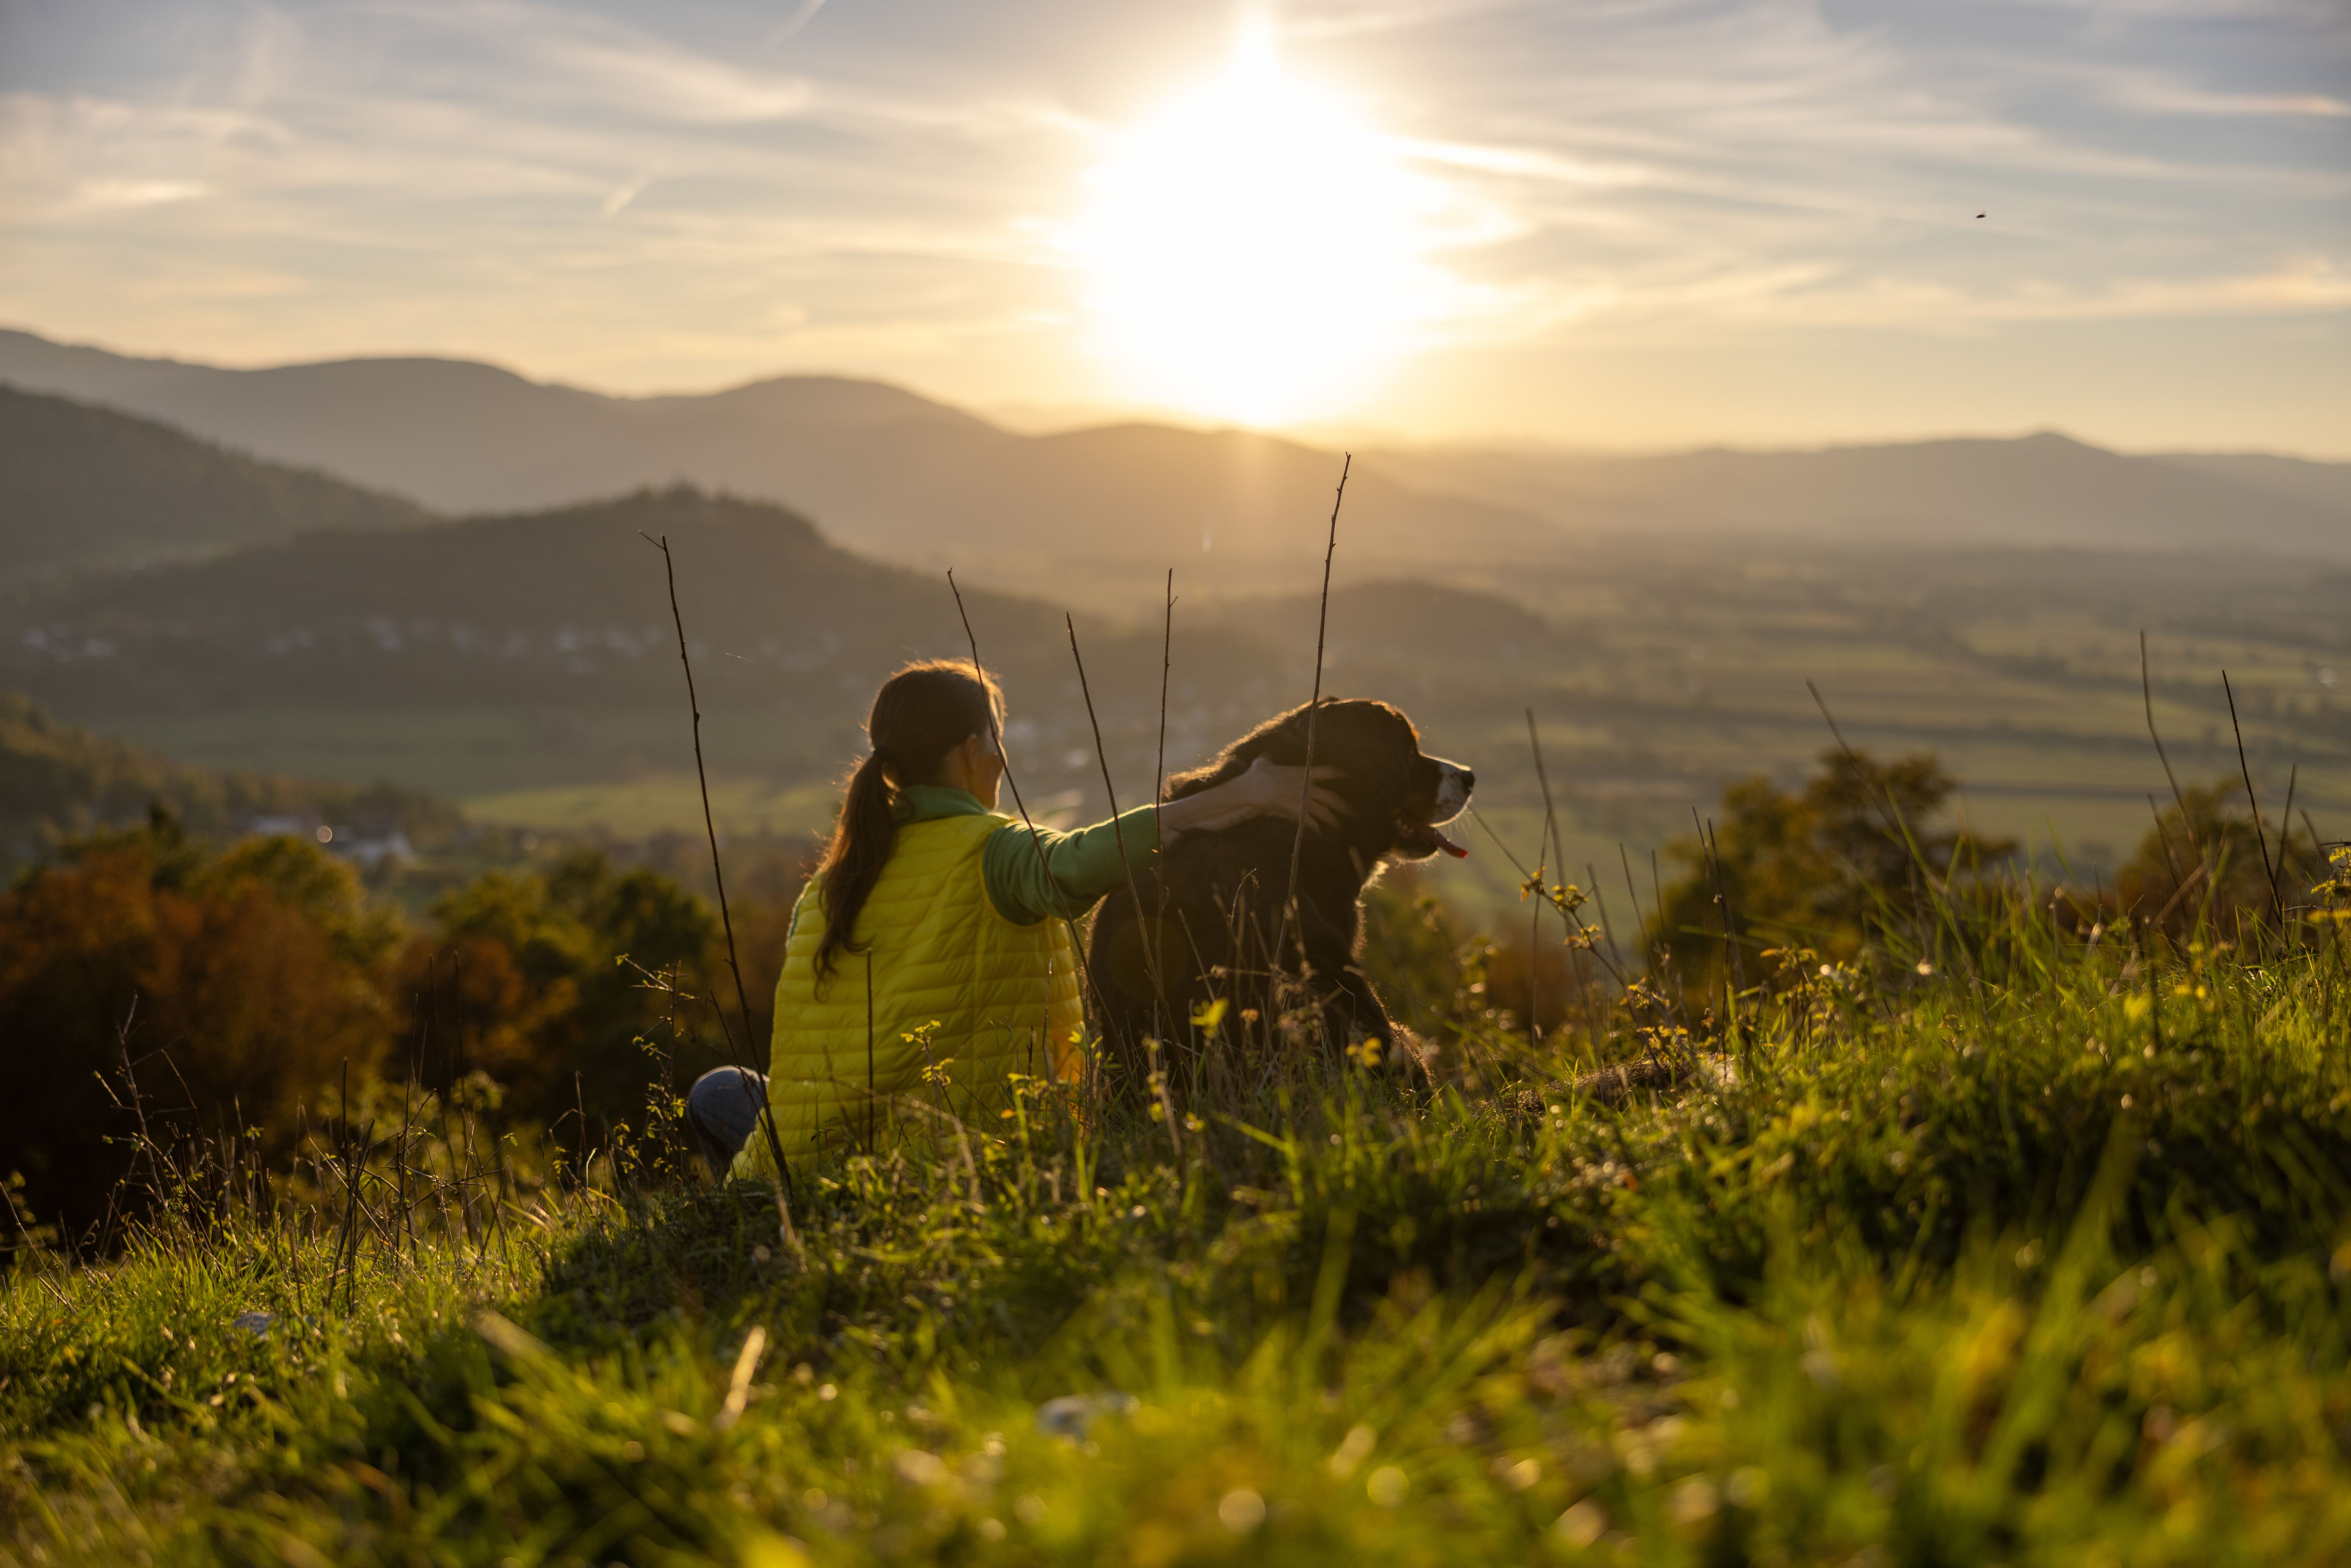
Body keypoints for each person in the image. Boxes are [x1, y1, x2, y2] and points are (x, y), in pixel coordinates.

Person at [687, 658, 1338, 1179]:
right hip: (944, 1165)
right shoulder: (991, 853)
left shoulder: (828, 885)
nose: (1003, 757)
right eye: (997, 739)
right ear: (974, 751)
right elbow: (1084, 859)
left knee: (720, 1092)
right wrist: (1242, 795)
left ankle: (771, 1212)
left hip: (808, 1161)